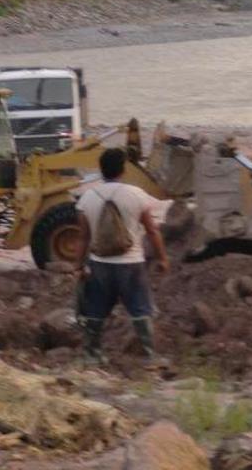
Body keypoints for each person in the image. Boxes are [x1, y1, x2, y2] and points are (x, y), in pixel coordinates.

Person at [75, 147, 170, 366]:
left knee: (95, 308)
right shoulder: (135, 194)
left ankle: (91, 355)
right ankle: (149, 357)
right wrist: (162, 258)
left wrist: (78, 266)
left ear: (101, 170)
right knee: (140, 307)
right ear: (123, 169)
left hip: (99, 264)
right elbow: (152, 230)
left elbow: (83, 237)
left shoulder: (87, 198)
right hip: (131, 263)